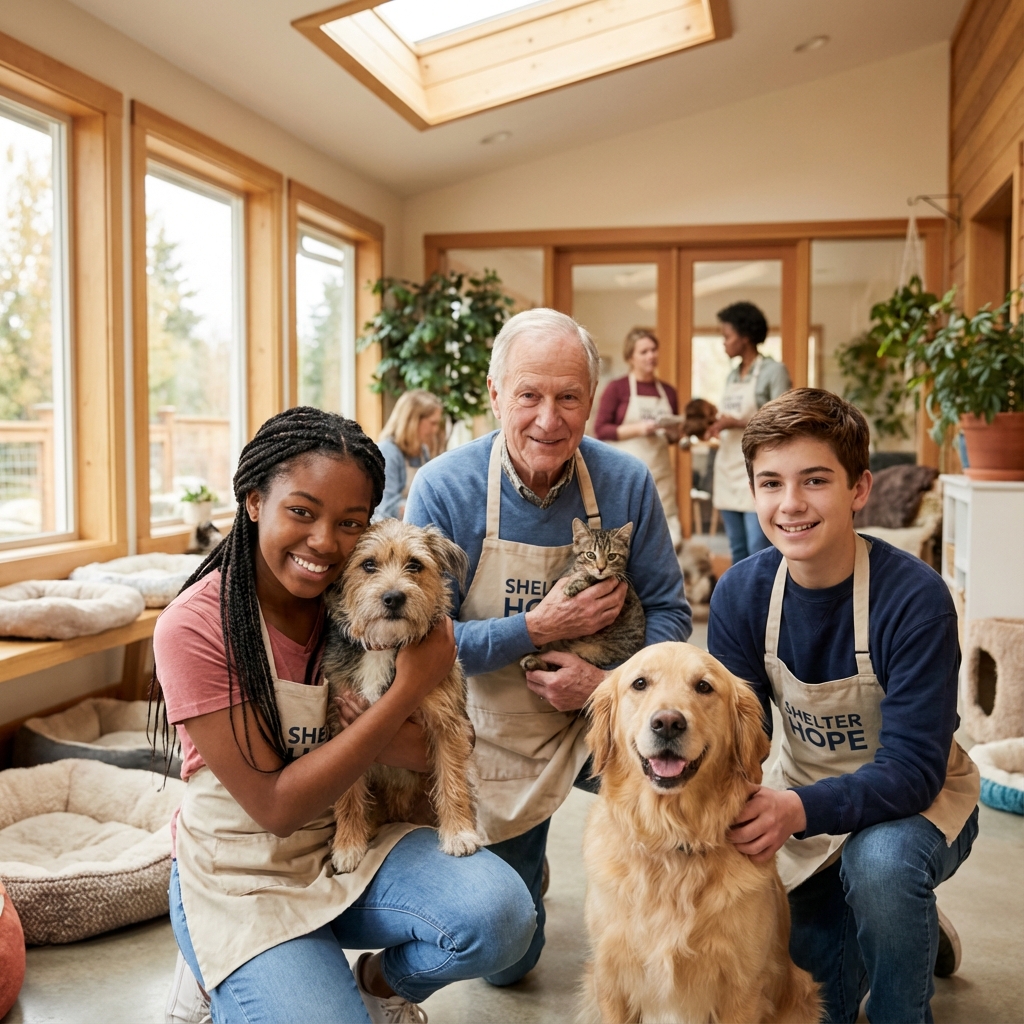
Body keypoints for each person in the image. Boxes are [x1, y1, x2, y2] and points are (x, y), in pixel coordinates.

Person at [154, 407, 535, 1024]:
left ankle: (378, 985)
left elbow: (440, 747)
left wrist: (394, 715)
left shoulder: (358, 605)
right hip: (246, 871)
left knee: (503, 916)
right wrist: (406, 693)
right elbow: (276, 808)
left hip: (364, 842)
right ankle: (218, 968)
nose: (325, 542)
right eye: (301, 511)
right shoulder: (195, 627)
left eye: (349, 523)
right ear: (254, 500)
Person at [405, 308, 692, 986]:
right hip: (492, 728)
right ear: (495, 393)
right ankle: (526, 870)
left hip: (605, 721)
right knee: (510, 960)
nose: (548, 419)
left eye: (568, 397)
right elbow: (420, 647)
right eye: (529, 395)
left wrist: (605, 685)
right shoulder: (444, 487)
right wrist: (535, 628)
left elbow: (672, 614)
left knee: (698, 808)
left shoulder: (625, 482)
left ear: (591, 401)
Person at [707, 389, 979, 1024]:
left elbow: (912, 772)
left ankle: (898, 930)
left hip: (919, 804)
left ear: (859, 489)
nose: (790, 504)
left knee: (880, 866)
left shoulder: (915, 600)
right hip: (806, 806)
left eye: (815, 480)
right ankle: (905, 920)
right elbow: (739, 740)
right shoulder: (742, 594)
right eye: (771, 483)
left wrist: (796, 809)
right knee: (816, 1005)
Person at [707, 301, 791, 564]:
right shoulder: (732, 376)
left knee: (759, 546)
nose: (724, 342)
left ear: (744, 337)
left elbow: (785, 421)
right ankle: (742, 593)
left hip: (760, 467)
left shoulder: (774, 372)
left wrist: (738, 422)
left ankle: (769, 591)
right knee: (737, 548)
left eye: (727, 336)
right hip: (729, 467)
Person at [594, 328, 683, 549]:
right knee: (625, 535)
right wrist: (639, 429)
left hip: (660, 474)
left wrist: (673, 433)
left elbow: (672, 438)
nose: (651, 356)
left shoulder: (668, 392)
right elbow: (601, 430)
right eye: (644, 352)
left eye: (653, 350)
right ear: (630, 357)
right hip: (625, 475)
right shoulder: (617, 388)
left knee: (667, 535)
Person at [376, 389, 444, 521]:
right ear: (413, 421)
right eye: (433, 423)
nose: (435, 430)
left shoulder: (423, 451)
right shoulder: (387, 452)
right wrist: (423, 506)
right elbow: (385, 506)